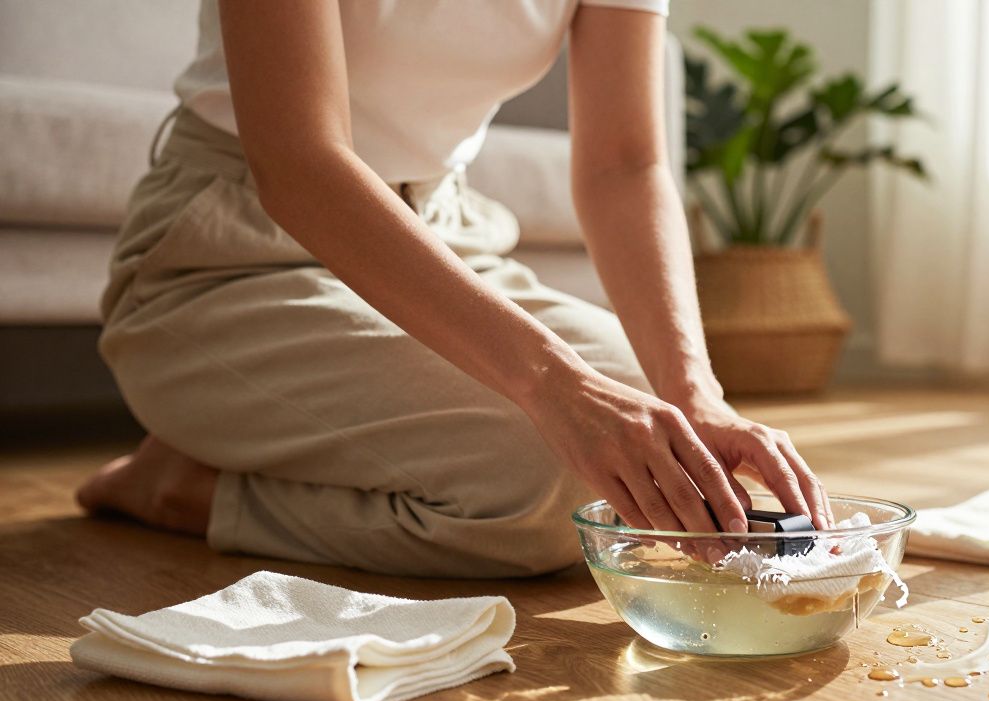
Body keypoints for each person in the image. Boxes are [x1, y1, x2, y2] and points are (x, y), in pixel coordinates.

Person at [76, 0, 832, 578]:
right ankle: (187, 489)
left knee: (654, 426)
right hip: (232, 246)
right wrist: (552, 382)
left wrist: (693, 389)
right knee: (549, 479)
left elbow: (624, 164)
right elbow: (299, 162)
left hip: (445, 230)